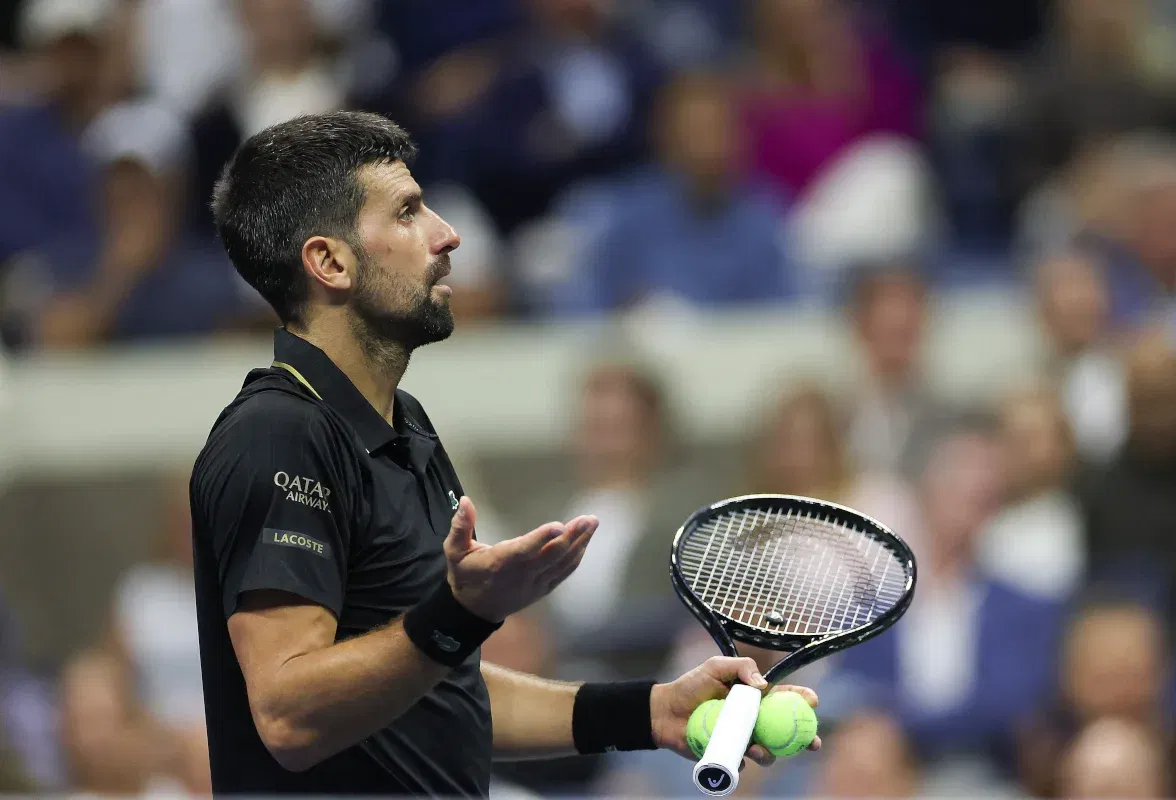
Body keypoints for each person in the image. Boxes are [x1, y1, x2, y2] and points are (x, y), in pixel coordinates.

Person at [188, 109, 820, 796]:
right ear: (330, 262)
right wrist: (461, 613)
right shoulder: (280, 433)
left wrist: (650, 710)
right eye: (407, 213)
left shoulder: (409, 429)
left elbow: (438, 691)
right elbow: (288, 715)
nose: (446, 234)